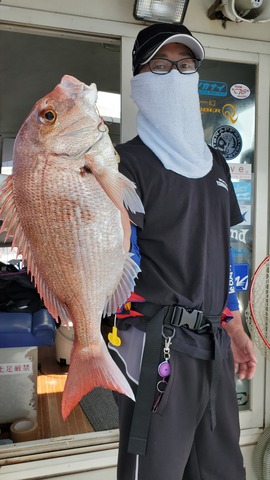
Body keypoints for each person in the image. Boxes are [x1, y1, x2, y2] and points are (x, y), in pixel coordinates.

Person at [108, 23, 257, 480]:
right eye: (161, 66)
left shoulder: (215, 163)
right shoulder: (121, 165)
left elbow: (219, 250)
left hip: (212, 348)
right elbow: (111, 262)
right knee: (156, 472)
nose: (176, 74)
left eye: (186, 65)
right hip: (155, 347)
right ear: (139, 79)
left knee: (220, 470)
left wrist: (233, 325)